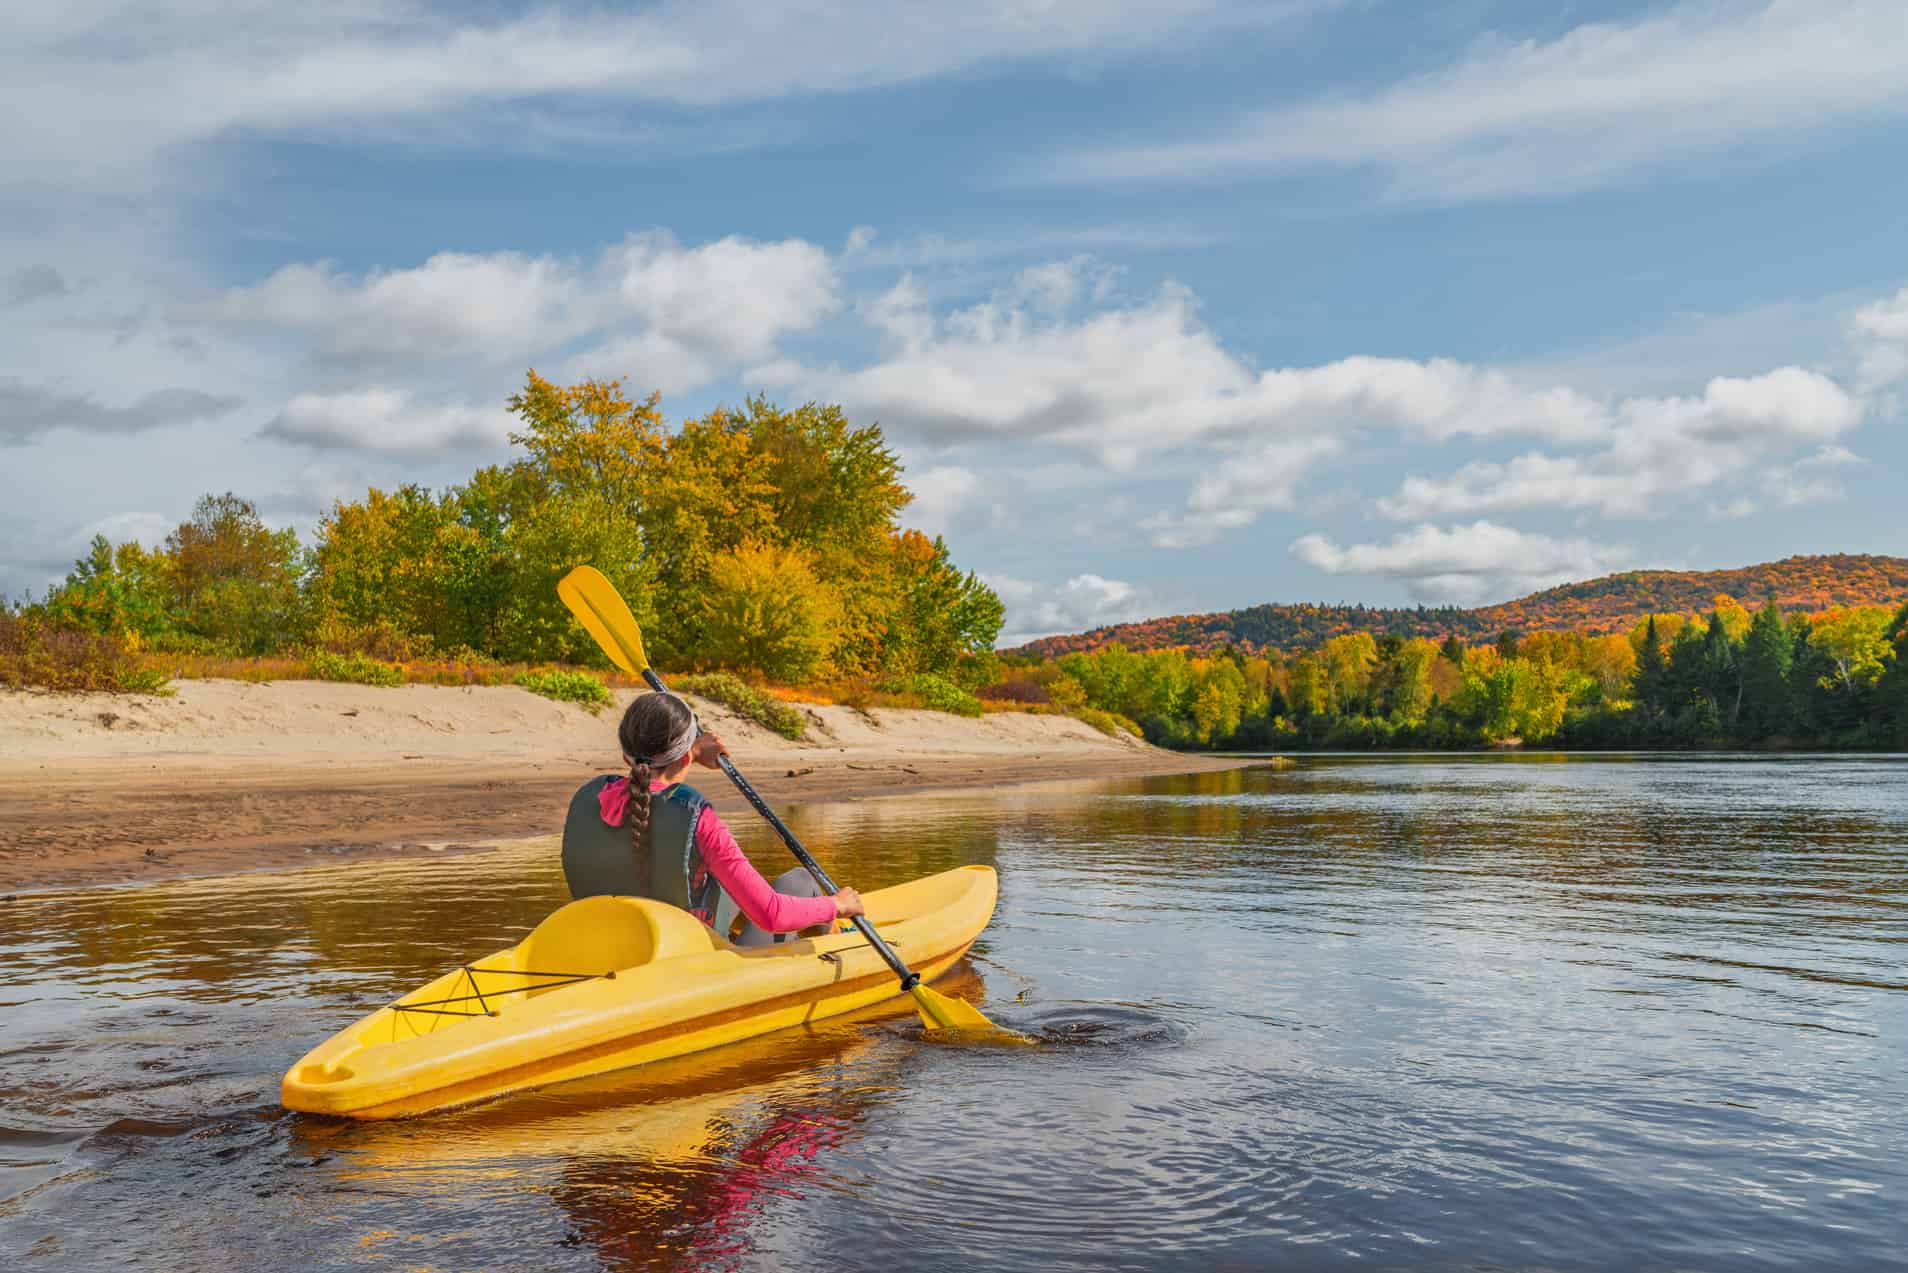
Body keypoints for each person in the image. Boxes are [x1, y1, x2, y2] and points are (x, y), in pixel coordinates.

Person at [561, 690, 863, 939]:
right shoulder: (698, 817)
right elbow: (772, 914)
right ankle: (835, 937)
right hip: (685, 961)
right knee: (799, 881)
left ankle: (815, 928)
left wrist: (689, 752)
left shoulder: (593, 797)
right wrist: (836, 904)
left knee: (725, 884)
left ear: (625, 753)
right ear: (684, 754)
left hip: (609, 944)